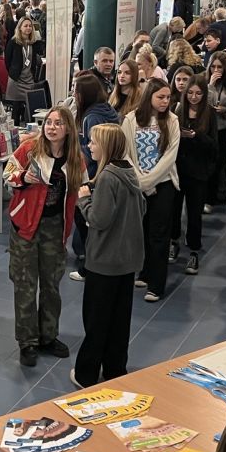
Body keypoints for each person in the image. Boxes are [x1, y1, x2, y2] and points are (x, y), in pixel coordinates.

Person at [3, 104, 84, 366]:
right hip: (25, 226)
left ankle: (48, 336)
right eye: (49, 122)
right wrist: (23, 178)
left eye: (58, 123)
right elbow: (7, 174)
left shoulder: (75, 158)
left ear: (68, 128)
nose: (52, 127)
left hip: (55, 227)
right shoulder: (29, 149)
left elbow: (82, 188)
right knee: (25, 285)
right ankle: (27, 342)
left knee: (51, 284)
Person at [71, 123, 144, 388]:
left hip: (104, 261)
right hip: (127, 260)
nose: (89, 146)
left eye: (93, 142)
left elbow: (98, 219)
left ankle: (86, 374)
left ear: (106, 146)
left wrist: (84, 199)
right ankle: (115, 369)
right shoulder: (130, 173)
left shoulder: (107, 179)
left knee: (96, 320)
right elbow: (142, 208)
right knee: (119, 321)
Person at [122, 79, 180, 302]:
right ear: (149, 97)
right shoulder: (131, 119)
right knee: (142, 231)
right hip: (138, 183)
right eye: (161, 97)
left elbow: (170, 156)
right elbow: (126, 152)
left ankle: (157, 284)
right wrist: (141, 181)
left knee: (159, 234)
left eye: (168, 97)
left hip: (163, 184)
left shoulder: (172, 120)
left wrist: (149, 182)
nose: (165, 101)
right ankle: (145, 272)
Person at [173, 74, 216, 275]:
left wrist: (196, 135)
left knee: (194, 214)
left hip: (198, 171)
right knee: (174, 211)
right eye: (190, 93)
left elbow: (214, 144)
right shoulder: (178, 110)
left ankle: (194, 250)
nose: (193, 97)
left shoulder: (209, 113)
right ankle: (174, 241)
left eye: (198, 93)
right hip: (178, 169)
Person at [207, 52, 226, 207]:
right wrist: (210, 86)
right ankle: (208, 197)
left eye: (219, 67)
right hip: (207, 129)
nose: (216, 70)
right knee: (208, 164)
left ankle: (219, 195)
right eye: (213, 67)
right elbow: (203, 103)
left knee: (220, 164)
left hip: (223, 129)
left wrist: (225, 110)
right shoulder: (205, 82)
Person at [4, 16, 45, 111]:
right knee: (16, 110)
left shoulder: (33, 43)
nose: (28, 28)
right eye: (25, 26)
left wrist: (39, 38)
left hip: (29, 80)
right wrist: (12, 72)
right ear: (20, 28)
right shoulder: (13, 42)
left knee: (30, 109)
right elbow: (7, 61)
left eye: (30, 26)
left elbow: (37, 57)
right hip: (16, 80)